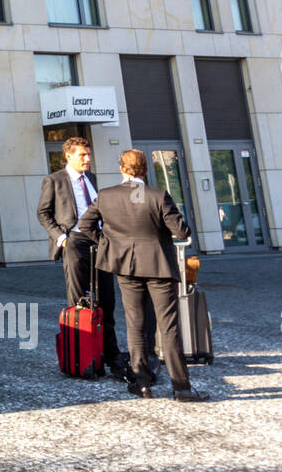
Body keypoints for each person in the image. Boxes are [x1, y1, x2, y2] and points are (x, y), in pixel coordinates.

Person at [75, 149, 208, 402]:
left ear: (121, 169)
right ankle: (181, 388)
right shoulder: (158, 195)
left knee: (135, 325)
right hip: (159, 266)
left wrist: (109, 244)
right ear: (146, 170)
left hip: (126, 267)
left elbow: (85, 225)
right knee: (168, 327)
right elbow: (181, 230)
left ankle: (142, 384)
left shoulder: (106, 196)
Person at [37, 137, 127, 379]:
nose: (87, 159)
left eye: (88, 154)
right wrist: (61, 238)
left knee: (107, 298)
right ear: (68, 156)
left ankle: (111, 353)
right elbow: (43, 213)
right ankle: (82, 354)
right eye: (82, 155)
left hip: (98, 240)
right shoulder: (54, 180)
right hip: (73, 240)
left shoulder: (92, 179)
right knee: (79, 300)